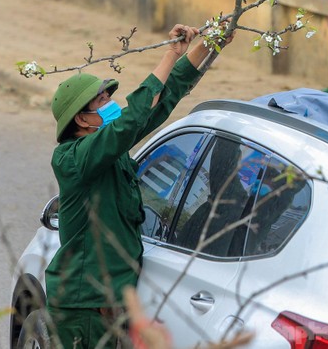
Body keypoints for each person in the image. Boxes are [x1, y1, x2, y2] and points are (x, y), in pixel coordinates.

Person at [45, 23, 223, 348]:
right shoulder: (72, 159)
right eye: (101, 100)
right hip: (84, 308)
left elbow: (161, 100)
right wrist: (170, 53)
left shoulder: (109, 150)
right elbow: (133, 118)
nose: (110, 102)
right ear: (82, 120)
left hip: (107, 306)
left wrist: (212, 43)